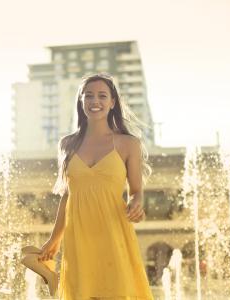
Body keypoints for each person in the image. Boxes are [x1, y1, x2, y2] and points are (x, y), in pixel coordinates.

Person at [36, 73, 154, 299]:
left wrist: (136, 203)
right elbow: (67, 195)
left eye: (102, 95)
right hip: (78, 231)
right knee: (84, 293)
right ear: (81, 102)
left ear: (112, 102)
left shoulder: (128, 143)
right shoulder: (67, 143)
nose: (95, 101)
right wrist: (54, 239)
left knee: (118, 291)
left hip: (113, 227)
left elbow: (136, 191)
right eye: (88, 96)